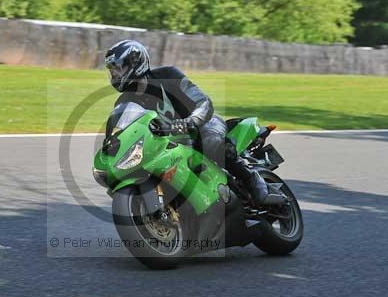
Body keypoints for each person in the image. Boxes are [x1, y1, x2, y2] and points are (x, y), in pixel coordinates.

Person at [104, 39, 281, 207]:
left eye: (118, 68)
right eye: (112, 70)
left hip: (202, 125)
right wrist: (111, 145)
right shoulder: (124, 102)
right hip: (170, 145)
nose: (115, 74)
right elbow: (119, 133)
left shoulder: (168, 75)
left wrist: (186, 123)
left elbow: (203, 103)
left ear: (135, 63)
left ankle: (252, 178)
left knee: (211, 142)